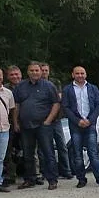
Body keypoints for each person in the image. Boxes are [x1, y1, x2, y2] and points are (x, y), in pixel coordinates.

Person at [13, 61, 60, 190]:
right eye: (31, 70)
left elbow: (56, 104)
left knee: (47, 152)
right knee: (28, 154)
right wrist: (16, 121)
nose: (34, 73)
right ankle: (30, 179)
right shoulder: (20, 86)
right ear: (27, 72)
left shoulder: (49, 86)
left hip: (43, 125)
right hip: (26, 126)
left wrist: (48, 121)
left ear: (41, 72)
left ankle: (52, 179)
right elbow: (17, 105)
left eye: (36, 70)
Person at [61, 66, 99, 188]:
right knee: (77, 154)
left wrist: (90, 120)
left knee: (93, 153)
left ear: (86, 75)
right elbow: (65, 107)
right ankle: (81, 179)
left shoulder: (93, 88)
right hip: (75, 126)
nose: (80, 75)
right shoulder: (67, 89)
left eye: (82, 73)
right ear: (73, 75)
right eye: (77, 73)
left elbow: (98, 105)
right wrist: (77, 121)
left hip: (90, 125)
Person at [40, 62, 72, 179]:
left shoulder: (55, 82)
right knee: (44, 148)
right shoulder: (35, 85)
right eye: (42, 70)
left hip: (56, 119)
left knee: (62, 145)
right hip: (41, 120)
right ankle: (45, 172)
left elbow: (58, 99)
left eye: (46, 70)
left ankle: (66, 170)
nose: (44, 73)